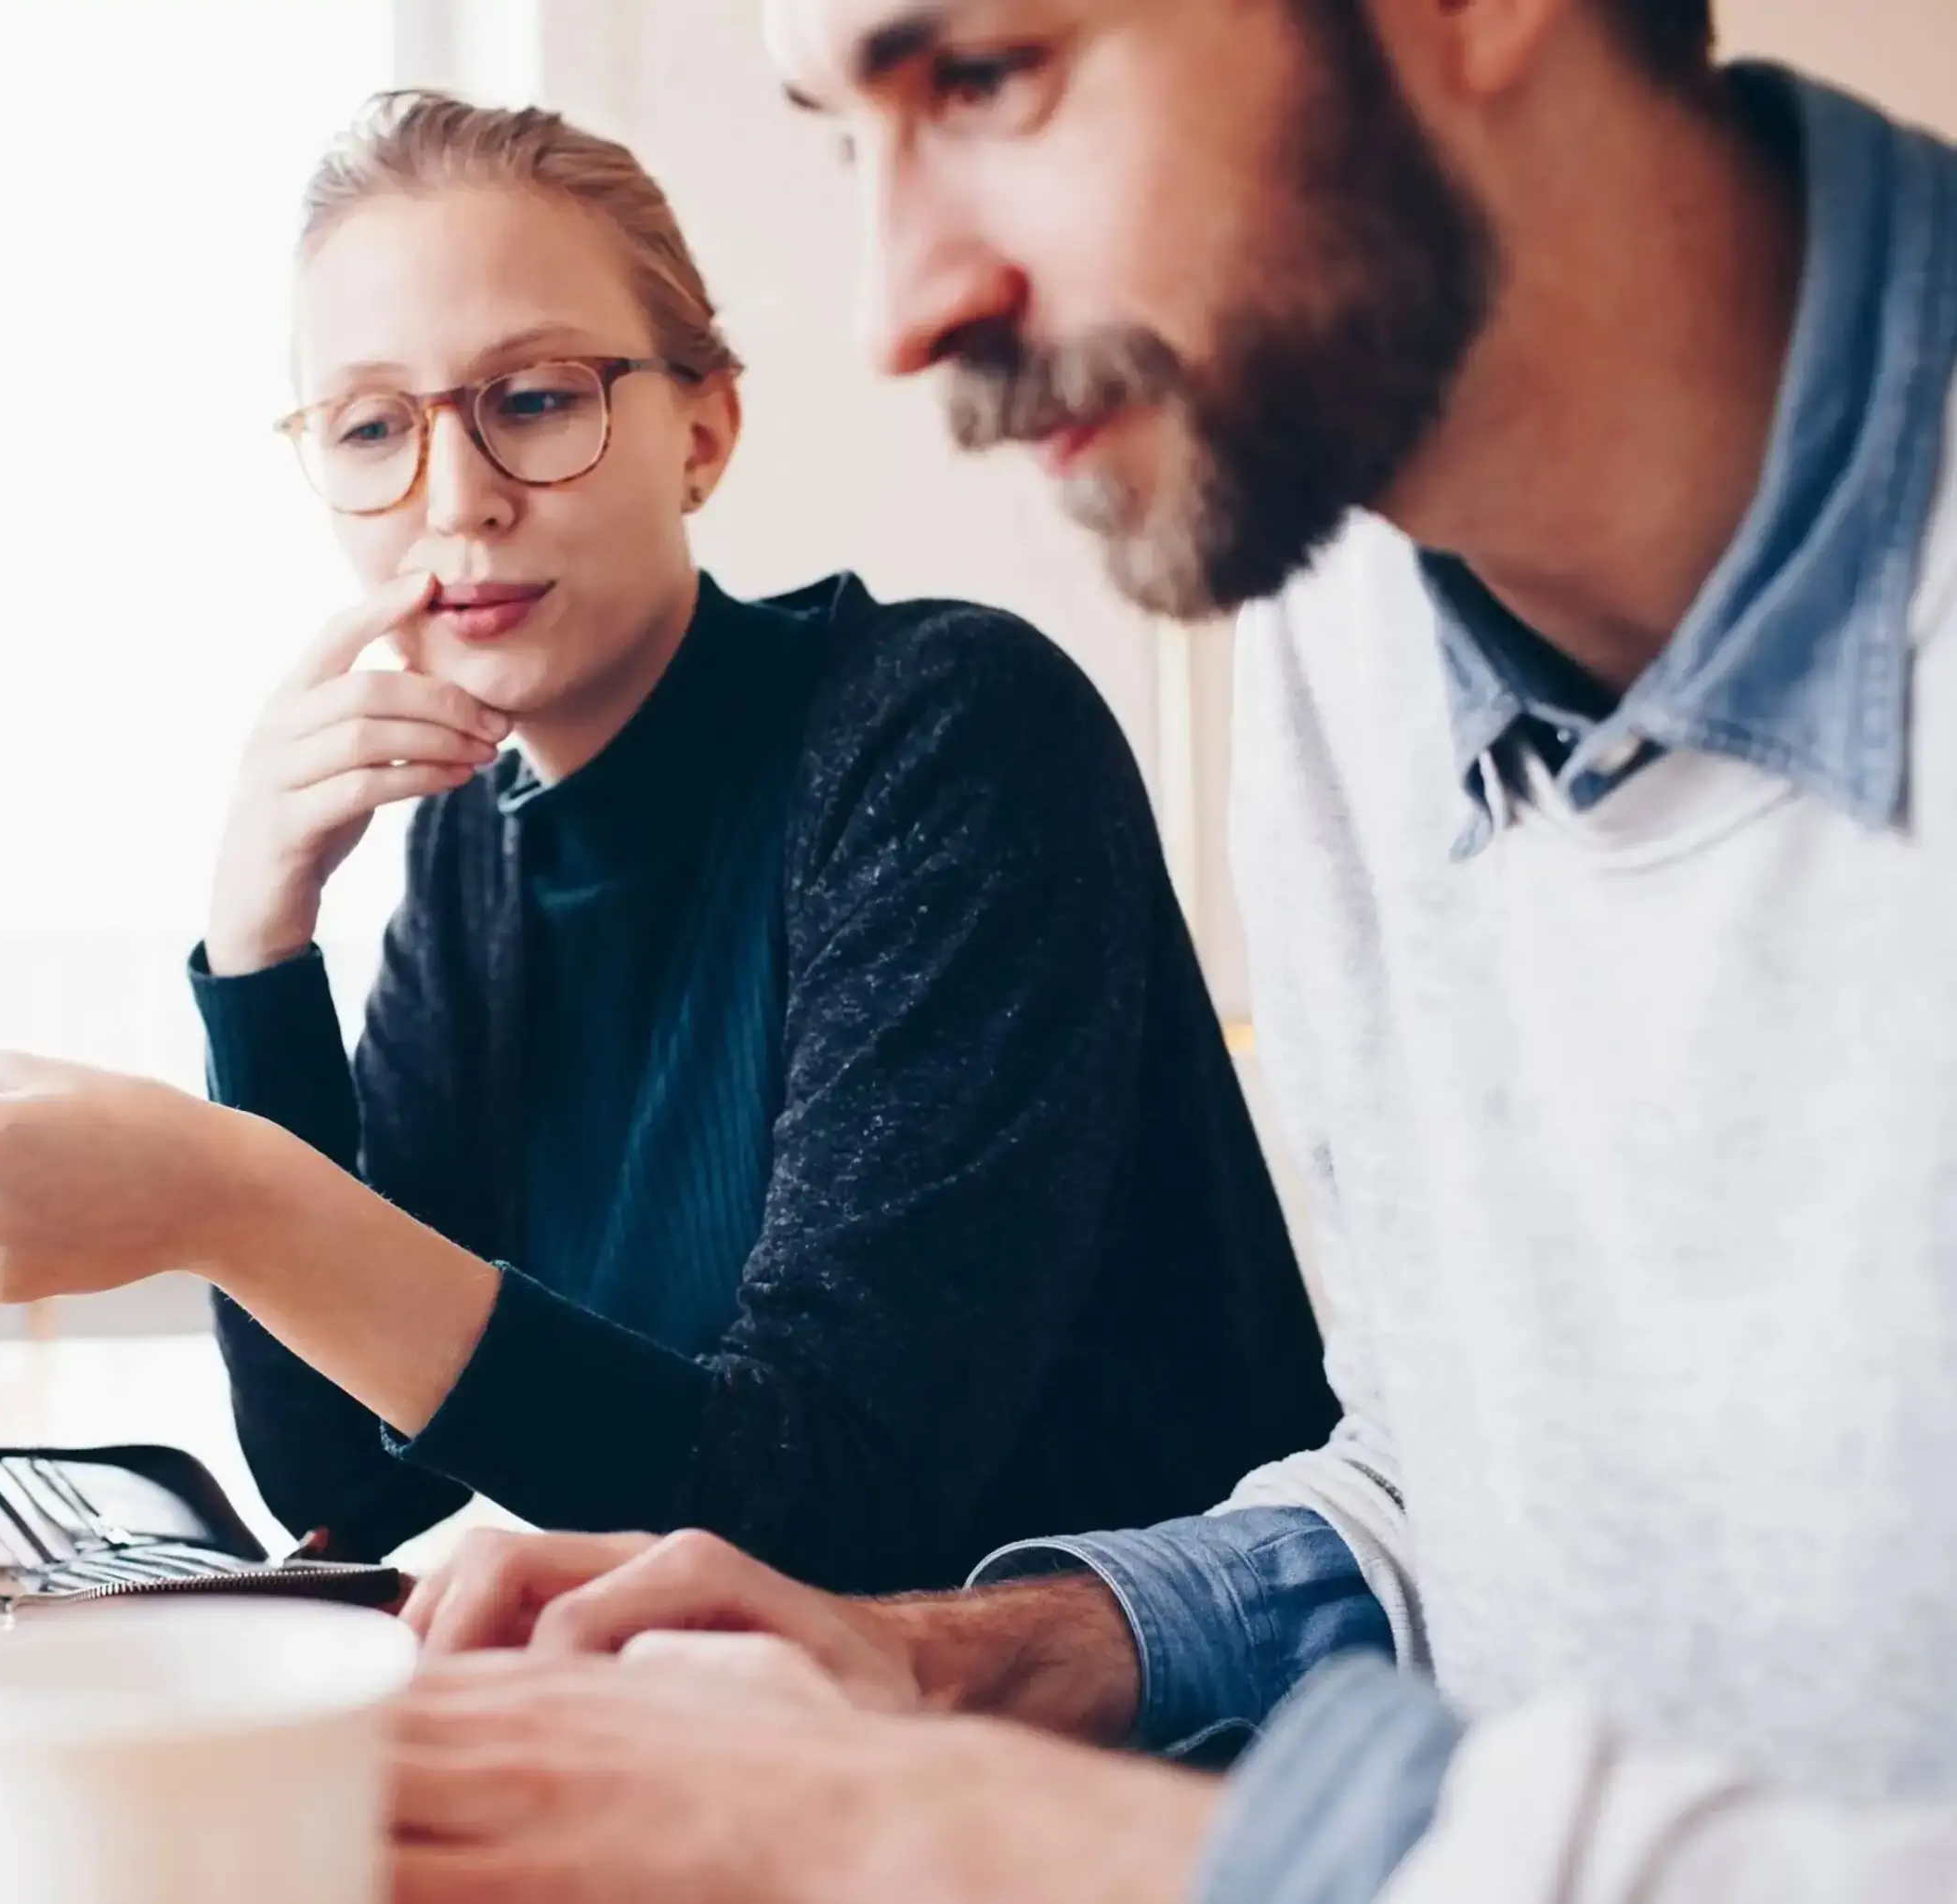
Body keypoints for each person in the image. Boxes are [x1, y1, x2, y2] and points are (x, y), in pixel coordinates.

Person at [372, 1, 1957, 1901]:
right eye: (843, 134)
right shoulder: (1342, 599)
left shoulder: (977, 706)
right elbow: (1436, 1499)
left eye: (984, 76)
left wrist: (1011, 1836)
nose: (897, 310)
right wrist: (932, 1657)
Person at [0, 90, 1334, 1595]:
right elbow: (351, 1480)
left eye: (532, 400)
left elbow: (826, 1509)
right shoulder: (481, 849)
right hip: (741, 1778)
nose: (456, 497)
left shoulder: (948, 731)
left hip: (1126, 1788)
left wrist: (223, 1192)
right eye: (373, 424)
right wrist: (259, 953)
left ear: (703, 433)